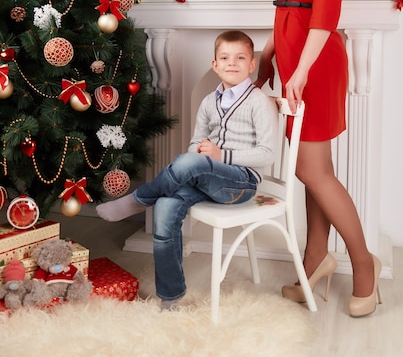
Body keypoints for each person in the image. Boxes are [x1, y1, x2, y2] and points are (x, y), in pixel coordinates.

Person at [255, 0, 382, 318]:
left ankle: (364, 265)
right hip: (294, 56)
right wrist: (271, 53)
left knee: (312, 170)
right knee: (315, 165)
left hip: (316, 59)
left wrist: (303, 69)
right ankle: (315, 258)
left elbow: (326, 5)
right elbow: (289, 4)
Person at [97, 30, 278, 309]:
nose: (233, 63)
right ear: (215, 65)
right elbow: (196, 144)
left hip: (240, 184)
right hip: (205, 177)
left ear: (252, 64)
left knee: (188, 161)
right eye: (225, 58)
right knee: (167, 205)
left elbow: (267, 155)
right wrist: (200, 157)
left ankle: (138, 199)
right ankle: (170, 298)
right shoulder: (208, 102)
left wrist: (220, 155)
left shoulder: (259, 102)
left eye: (241, 57)